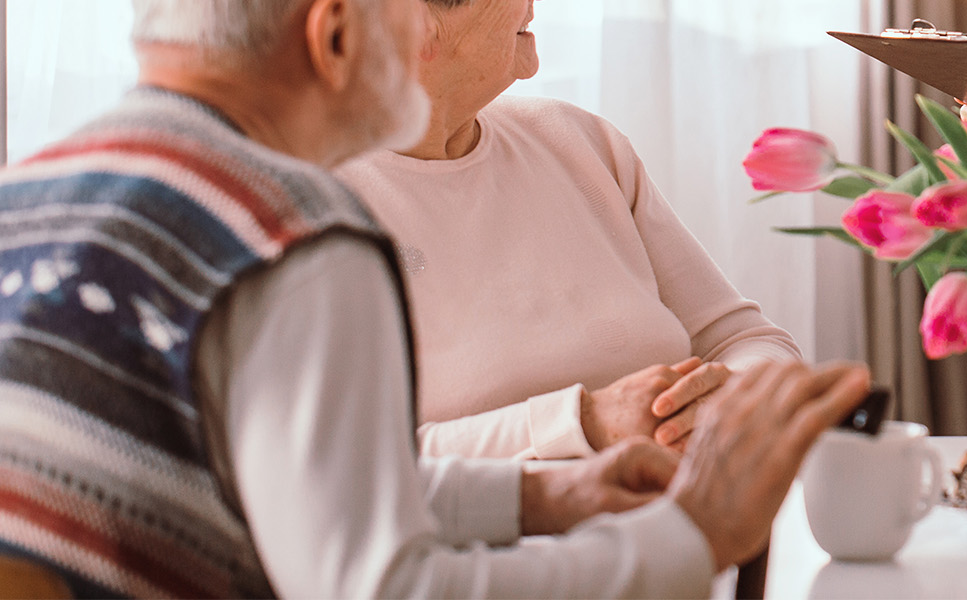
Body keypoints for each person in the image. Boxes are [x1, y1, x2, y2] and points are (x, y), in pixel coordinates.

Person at [0, 0, 866, 596]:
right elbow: (386, 589)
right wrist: (697, 537)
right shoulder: (294, 232)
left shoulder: (35, 193)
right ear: (338, 35)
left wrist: (538, 499)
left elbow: (295, 487)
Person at [334, 0, 802, 460]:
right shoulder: (318, 213)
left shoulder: (577, 141)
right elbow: (345, 469)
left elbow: (749, 340)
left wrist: (721, 401)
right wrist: (581, 424)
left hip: (685, 521)